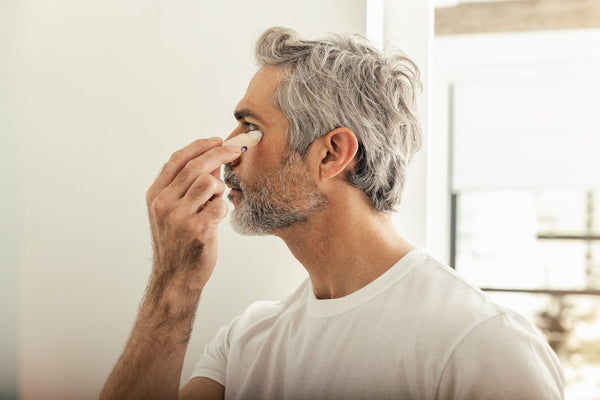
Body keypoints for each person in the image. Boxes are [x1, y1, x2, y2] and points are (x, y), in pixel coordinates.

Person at [100, 27, 564, 400]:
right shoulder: (246, 342)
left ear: (331, 153)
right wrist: (174, 283)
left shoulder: (481, 346)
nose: (228, 152)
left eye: (251, 127)